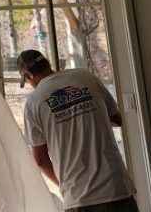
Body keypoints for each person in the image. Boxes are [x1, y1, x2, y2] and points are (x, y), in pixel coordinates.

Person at [18, 49, 137, 212]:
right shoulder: (85, 77)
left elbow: (40, 161)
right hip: (116, 187)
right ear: (47, 64)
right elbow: (117, 118)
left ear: (29, 75)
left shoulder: (33, 102)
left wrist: (64, 185)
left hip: (79, 196)